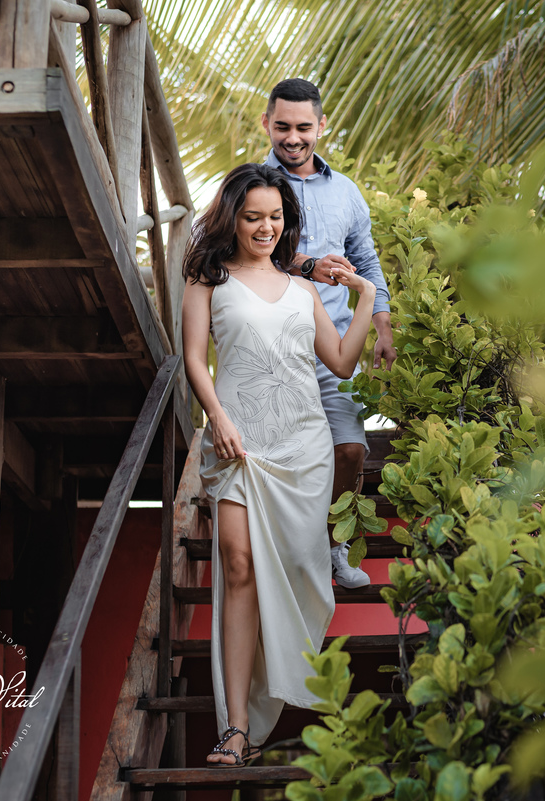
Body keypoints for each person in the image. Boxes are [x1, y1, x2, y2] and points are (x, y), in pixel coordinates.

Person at [180, 163, 378, 767]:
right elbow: (193, 359)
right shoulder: (207, 279)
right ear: (232, 219)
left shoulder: (303, 290)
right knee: (237, 565)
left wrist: (365, 297)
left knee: (293, 567)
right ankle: (235, 729)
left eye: (275, 217)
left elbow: (342, 363)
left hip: (303, 447)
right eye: (252, 217)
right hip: (240, 443)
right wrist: (217, 416)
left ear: (286, 220)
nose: (266, 227)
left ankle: (273, 690)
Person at [261, 78, 398, 589]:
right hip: (275, 347)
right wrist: (307, 264)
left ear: (321, 126)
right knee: (287, 459)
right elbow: (240, 248)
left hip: (336, 346)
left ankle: (333, 547)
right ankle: (286, 555)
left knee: (351, 450)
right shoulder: (251, 183)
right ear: (266, 124)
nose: (292, 138)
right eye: (282, 127)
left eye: (302, 127)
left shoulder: (346, 191)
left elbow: (366, 259)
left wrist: (382, 323)